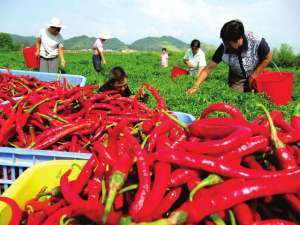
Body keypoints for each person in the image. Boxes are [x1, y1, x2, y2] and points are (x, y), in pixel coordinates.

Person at [186, 20, 272, 95]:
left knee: (262, 92)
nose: (226, 45)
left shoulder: (256, 41)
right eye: (224, 42)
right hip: (237, 76)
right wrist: (195, 86)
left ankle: (261, 77)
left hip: (255, 71)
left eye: (228, 43)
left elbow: (268, 56)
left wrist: (254, 75)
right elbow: (208, 68)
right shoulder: (223, 47)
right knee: (236, 95)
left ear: (240, 39)